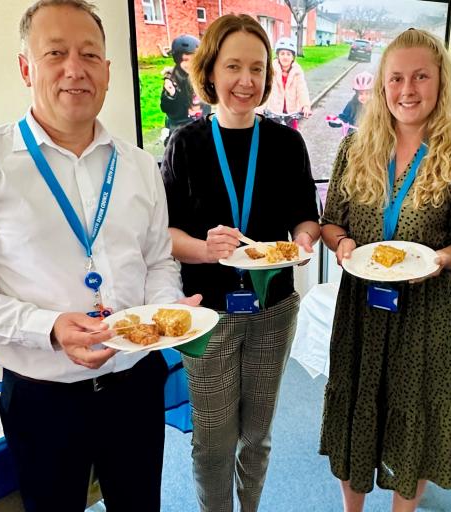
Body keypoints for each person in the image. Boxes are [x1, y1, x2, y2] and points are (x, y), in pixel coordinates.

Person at [0, 1, 200, 510]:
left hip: (134, 384)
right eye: (56, 53)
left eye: (90, 54)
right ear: (26, 66)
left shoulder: (139, 166)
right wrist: (48, 326)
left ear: (108, 71)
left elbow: (159, 259)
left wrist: (166, 312)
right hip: (42, 396)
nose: (75, 68)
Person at [319, 28, 451, 511]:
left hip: (424, 311)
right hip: (361, 306)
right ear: (380, 85)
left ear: (440, 84)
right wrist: (345, 243)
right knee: (356, 406)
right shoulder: (355, 150)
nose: (407, 90)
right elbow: (332, 224)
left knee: (410, 413)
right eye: (396, 78)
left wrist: (439, 261)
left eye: (420, 77)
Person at [161, 14, 320, 512]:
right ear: (210, 72)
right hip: (207, 314)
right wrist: (205, 248)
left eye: (257, 67)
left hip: (274, 309)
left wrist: (302, 242)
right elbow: (166, 236)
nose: (246, 81)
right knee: (212, 439)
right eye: (234, 66)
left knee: (257, 433)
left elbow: (305, 219)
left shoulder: (286, 143)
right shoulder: (184, 145)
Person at [160, 34, 211, 144]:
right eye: (185, 60)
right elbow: (168, 109)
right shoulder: (173, 80)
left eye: (194, 60)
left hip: (201, 129)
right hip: (180, 131)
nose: (190, 65)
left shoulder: (202, 77)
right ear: (177, 60)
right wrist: (171, 95)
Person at [264, 37, 312, 129]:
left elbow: (302, 90)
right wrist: (259, 109)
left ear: (293, 57)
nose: (285, 57)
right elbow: (266, 89)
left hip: (291, 113)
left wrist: (305, 106)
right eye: (282, 54)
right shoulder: (271, 70)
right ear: (278, 55)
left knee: (293, 136)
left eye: (288, 54)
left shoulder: (297, 72)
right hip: (274, 112)